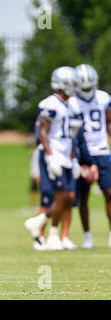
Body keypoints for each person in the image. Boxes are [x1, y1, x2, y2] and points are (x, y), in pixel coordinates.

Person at [24, 66, 80, 250]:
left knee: (69, 196)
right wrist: (50, 156)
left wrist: (73, 159)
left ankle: (42, 225)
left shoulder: (70, 104)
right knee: (58, 196)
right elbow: (43, 132)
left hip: (65, 155)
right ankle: (48, 234)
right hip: (53, 155)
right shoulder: (50, 103)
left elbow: (70, 136)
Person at [69, 64, 111, 249]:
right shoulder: (71, 102)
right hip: (83, 154)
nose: (86, 90)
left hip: (102, 151)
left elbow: (109, 122)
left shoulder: (103, 98)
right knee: (83, 197)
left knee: (109, 193)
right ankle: (87, 236)